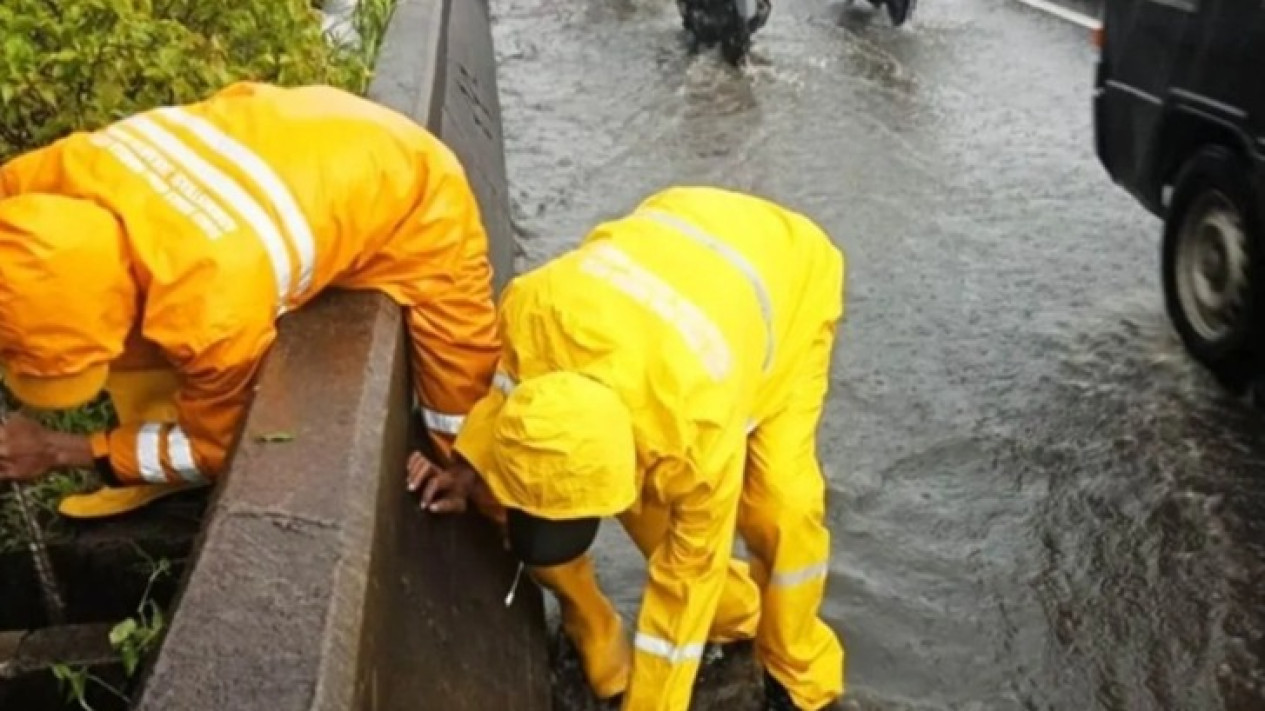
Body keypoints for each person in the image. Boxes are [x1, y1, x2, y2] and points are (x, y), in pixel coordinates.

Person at [408, 186, 848, 711]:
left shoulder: (692, 427)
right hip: (673, 236)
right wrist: (470, 463)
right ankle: (723, 619)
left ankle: (799, 674)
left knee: (781, 507)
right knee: (657, 522)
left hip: (786, 281)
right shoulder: (533, 310)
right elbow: (508, 389)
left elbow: (685, 583)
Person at [0, 81, 500, 519]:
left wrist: (63, 450)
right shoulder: (36, 182)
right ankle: (138, 451)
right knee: (136, 331)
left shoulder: (211, 311)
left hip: (412, 186)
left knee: (463, 422)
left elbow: (218, 448)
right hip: (285, 128)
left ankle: (525, 540)